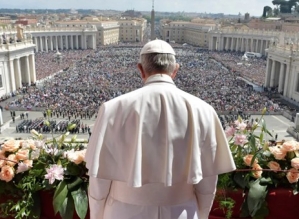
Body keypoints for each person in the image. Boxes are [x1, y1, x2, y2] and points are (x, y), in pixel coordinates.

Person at [85, 39, 236, 219]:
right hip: (182, 212)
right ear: (175, 70)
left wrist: (97, 214)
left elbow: (99, 179)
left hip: (123, 212)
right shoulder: (204, 110)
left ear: (140, 69)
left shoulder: (112, 108)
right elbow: (207, 183)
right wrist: (201, 213)